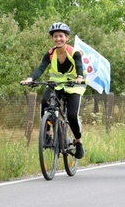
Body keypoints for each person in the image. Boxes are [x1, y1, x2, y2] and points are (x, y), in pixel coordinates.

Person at [20, 22, 86, 159]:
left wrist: (79, 77)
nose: (58, 39)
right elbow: (40, 68)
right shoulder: (50, 54)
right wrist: (31, 78)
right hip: (56, 85)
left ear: (67, 38)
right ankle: (48, 135)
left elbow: (79, 66)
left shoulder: (74, 53)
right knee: (45, 102)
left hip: (74, 85)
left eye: (61, 36)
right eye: (55, 36)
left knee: (72, 116)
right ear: (52, 38)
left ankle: (78, 142)